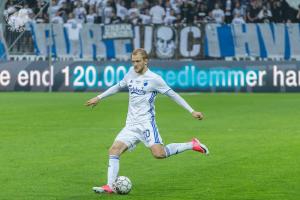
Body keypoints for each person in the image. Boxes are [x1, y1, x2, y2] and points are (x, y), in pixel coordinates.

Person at [85, 48, 209, 194]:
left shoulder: (154, 79)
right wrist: (99, 97)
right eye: (133, 61)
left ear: (145, 61)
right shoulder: (130, 73)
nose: (135, 65)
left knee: (159, 154)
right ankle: (110, 186)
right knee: (114, 150)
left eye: (138, 61)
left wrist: (192, 110)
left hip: (146, 125)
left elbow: (173, 95)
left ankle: (191, 144)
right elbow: (118, 86)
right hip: (131, 125)